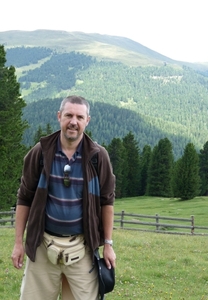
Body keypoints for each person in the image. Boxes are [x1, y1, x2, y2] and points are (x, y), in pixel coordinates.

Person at [11, 95, 116, 300]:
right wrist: (18, 243)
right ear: (59, 116)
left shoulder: (98, 157)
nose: (73, 122)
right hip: (43, 245)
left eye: (79, 117)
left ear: (87, 120)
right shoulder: (40, 153)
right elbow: (24, 198)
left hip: (82, 247)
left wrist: (108, 245)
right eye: (68, 115)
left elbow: (107, 202)